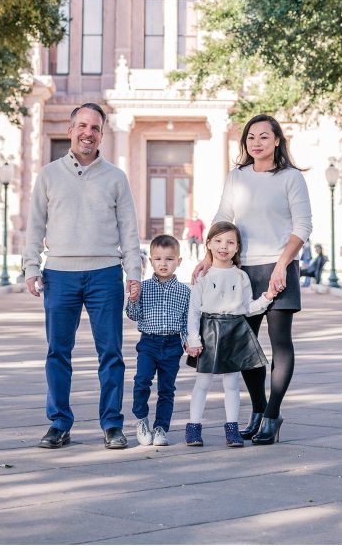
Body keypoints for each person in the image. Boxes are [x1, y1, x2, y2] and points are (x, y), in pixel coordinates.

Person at [24, 103, 142, 450]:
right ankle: (59, 423)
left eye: (95, 128)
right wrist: (31, 266)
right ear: (70, 129)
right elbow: (35, 225)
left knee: (111, 354)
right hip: (60, 274)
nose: (88, 133)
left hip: (105, 274)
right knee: (58, 352)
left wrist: (133, 272)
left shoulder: (116, 177)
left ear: (102, 134)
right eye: (82, 126)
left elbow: (129, 230)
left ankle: (112, 424)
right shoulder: (48, 175)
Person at [192, 113, 312, 445]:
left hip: (278, 268)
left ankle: (273, 415)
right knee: (245, 347)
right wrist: (208, 257)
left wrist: (281, 266)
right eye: (250, 137)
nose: (256, 143)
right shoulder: (237, 177)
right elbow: (222, 218)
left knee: (279, 343)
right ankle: (258, 409)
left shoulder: (290, 178)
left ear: (277, 141)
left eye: (263, 136)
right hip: (241, 271)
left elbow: (302, 226)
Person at [185, 221, 276, 448]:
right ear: (208, 244)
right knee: (203, 382)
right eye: (218, 241)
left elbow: (247, 307)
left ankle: (232, 429)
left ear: (237, 248)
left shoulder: (241, 277)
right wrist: (193, 338)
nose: (223, 246)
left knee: (232, 384)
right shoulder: (203, 276)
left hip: (235, 331)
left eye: (230, 242)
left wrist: (267, 298)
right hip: (209, 331)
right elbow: (194, 310)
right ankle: (194, 427)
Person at [126, 234, 190, 447]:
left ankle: (161, 427)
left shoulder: (184, 292)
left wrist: (190, 341)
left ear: (178, 262)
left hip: (172, 345)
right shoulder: (143, 287)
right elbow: (133, 315)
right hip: (149, 343)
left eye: (169, 259)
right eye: (158, 259)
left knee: (167, 389)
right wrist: (133, 299)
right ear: (151, 260)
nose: (164, 263)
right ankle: (141, 419)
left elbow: (187, 322)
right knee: (142, 381)